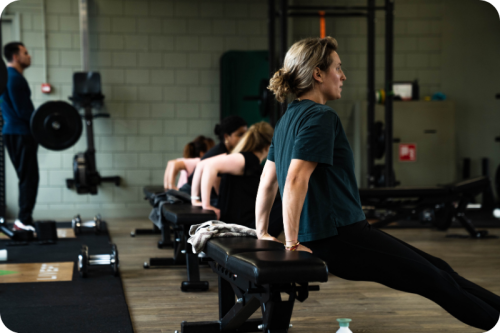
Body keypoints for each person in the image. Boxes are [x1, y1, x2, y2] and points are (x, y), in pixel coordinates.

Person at [254, 36, 500, 333]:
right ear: (317, 74)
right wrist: (291, 245)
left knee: (440, 270)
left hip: (337, 235)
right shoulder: (320, 116)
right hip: (340, 236)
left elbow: (268, 181)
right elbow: (293, 178)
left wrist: (263, 231)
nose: (343, 76)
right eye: (338, 68)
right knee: (436, 282)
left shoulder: (286, 119)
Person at [191, 122, 283, 237]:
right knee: (286, 202)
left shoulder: (248, 160)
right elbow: (208, 166)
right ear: (268, 145)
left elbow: (202, 165)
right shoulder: (246, 159)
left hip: (243, 220)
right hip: (244, 225)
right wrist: (205, 204)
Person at [1, 42, 38, 231]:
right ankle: (23, 222)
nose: (29, 56)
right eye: (25, 52)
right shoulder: (14, 78)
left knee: (26, 177)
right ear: (15, 57)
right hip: (20, 133)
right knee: (29, 178)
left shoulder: (8, 77)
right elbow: (23, 111)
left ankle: (24, 220)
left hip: (12, 133)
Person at [179, 115, 248, 196]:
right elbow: (216, 183)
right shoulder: (220, 153)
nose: (245, 138)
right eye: (240, 135)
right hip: (191, 194)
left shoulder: (231, 152)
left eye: (246, 134)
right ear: (226, 136)